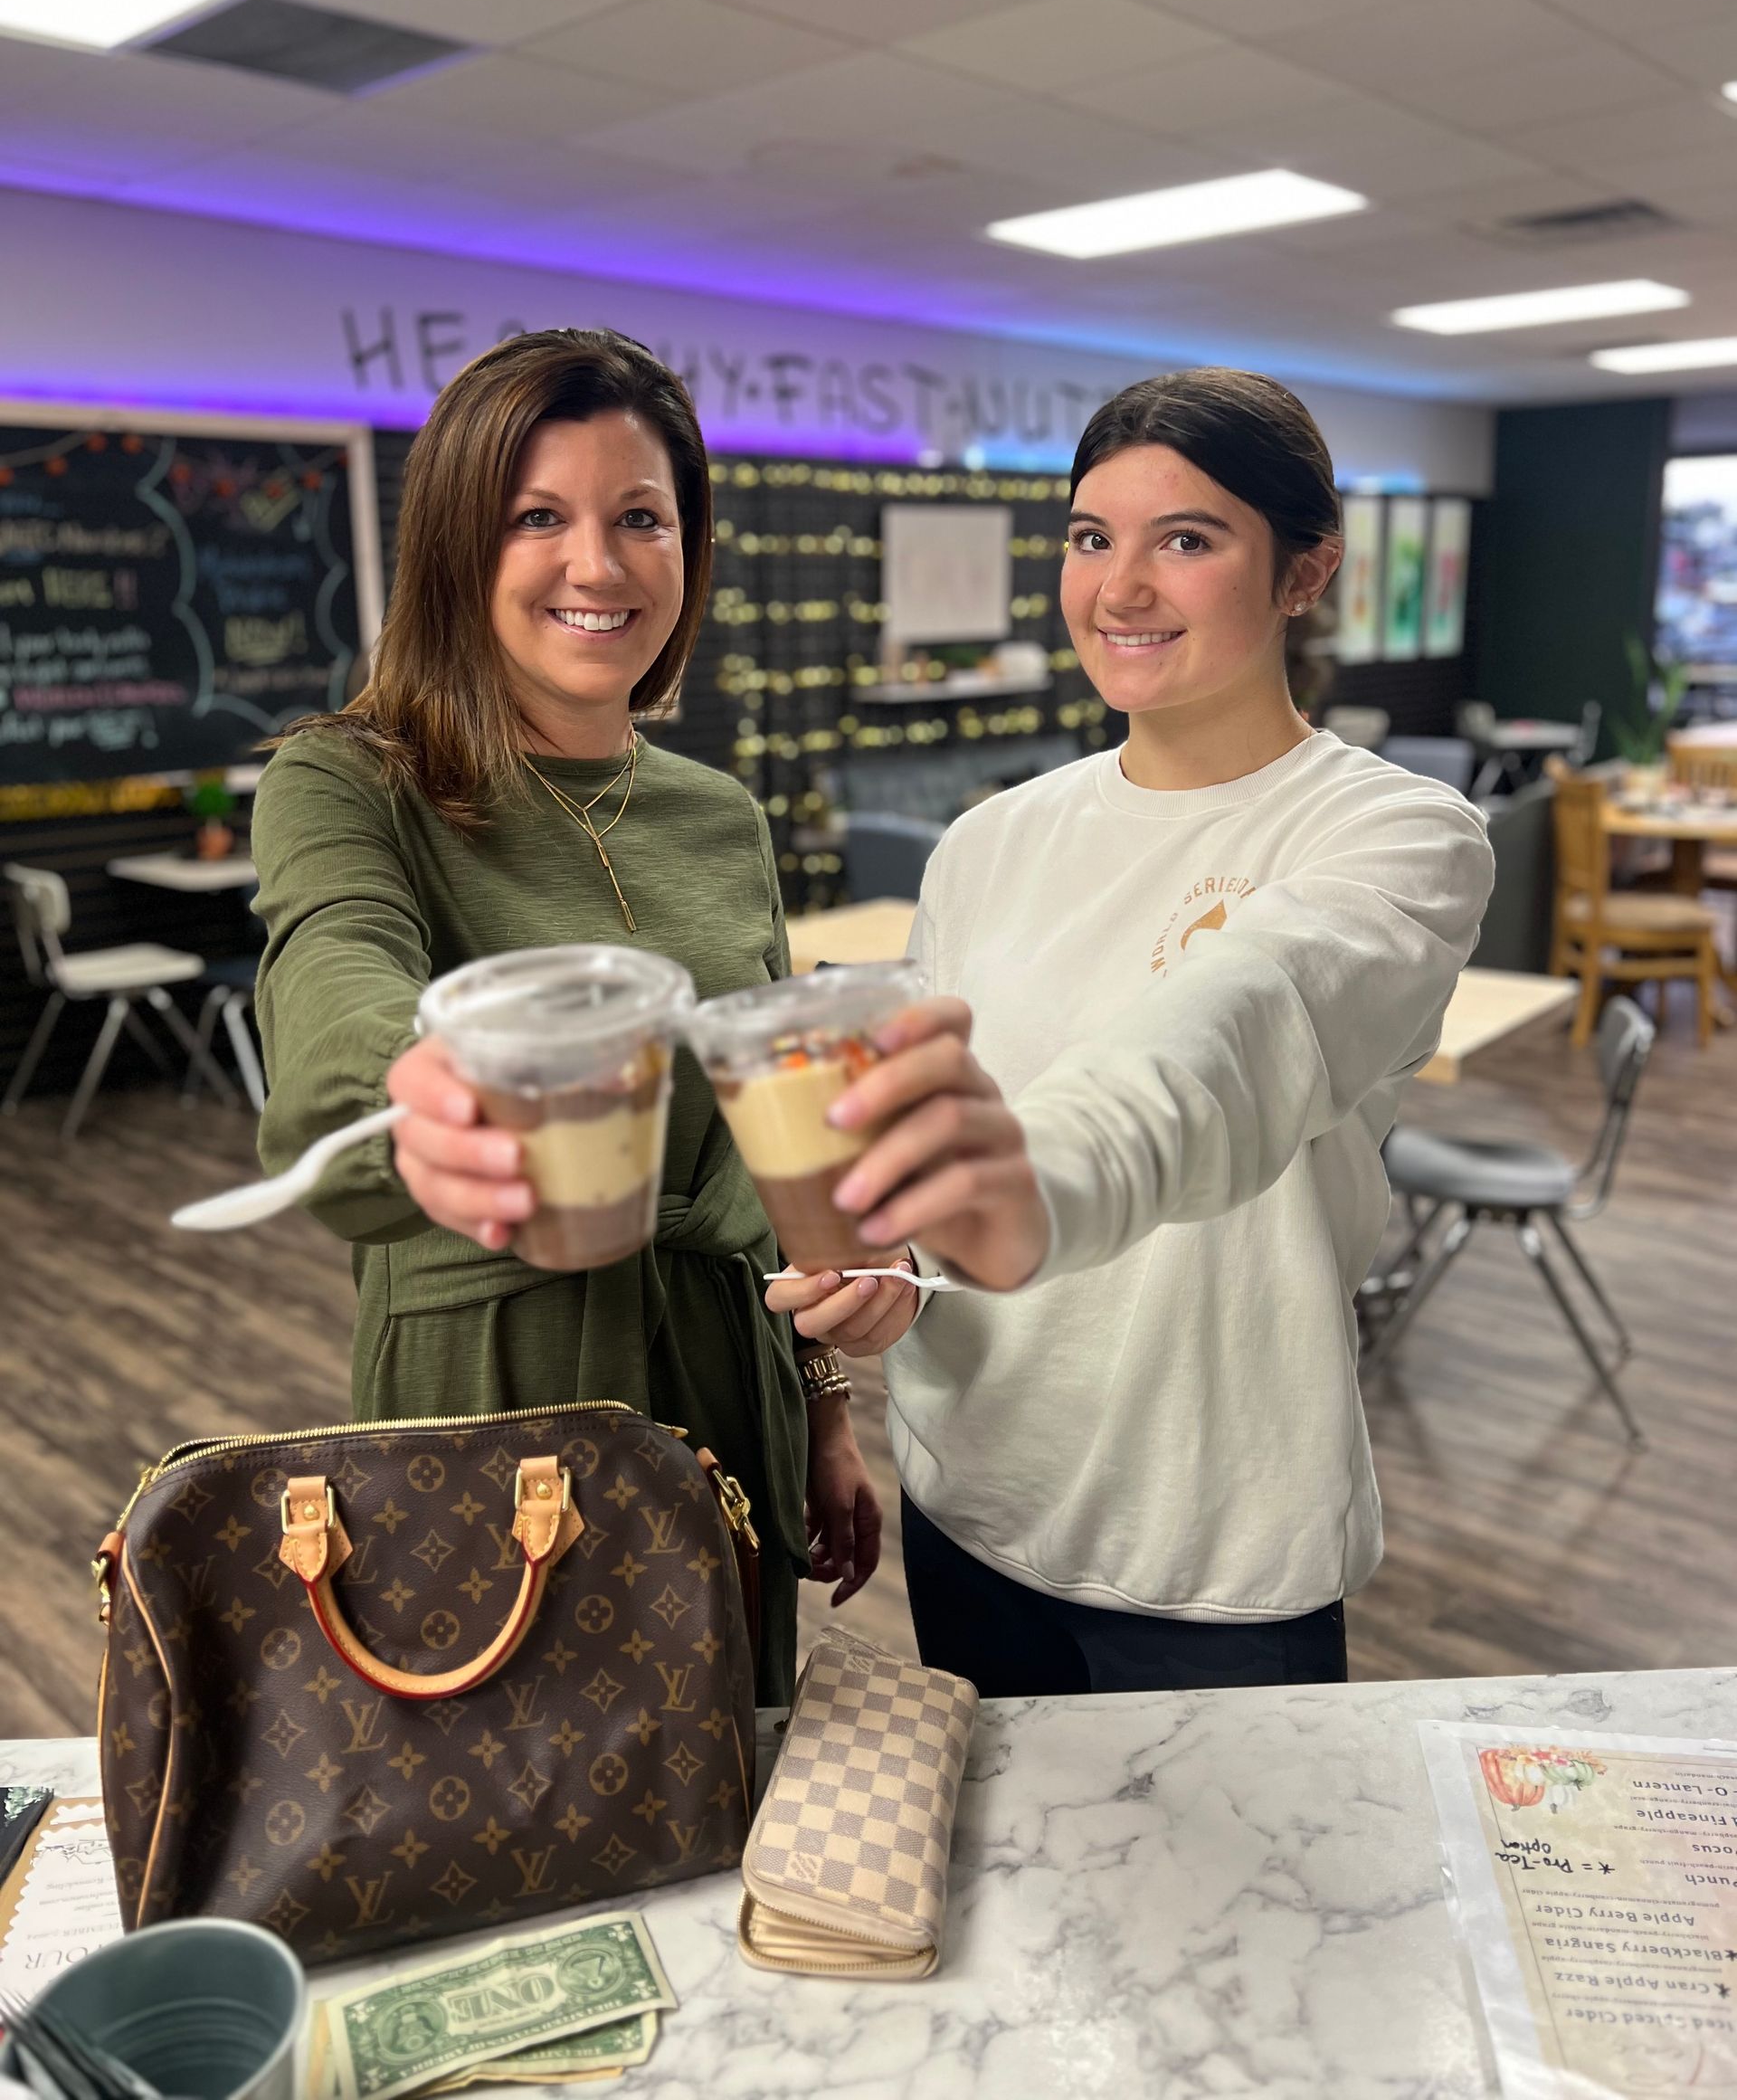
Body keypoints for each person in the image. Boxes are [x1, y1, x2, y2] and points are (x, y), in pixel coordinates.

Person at [766, 366, 1495, 1698]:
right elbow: (938, 1162)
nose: (1121, 588)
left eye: (1189, 539)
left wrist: (1029, 1187)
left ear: (1303, 572)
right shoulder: (989, 843)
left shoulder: (1394, 834)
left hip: (1213, 1542)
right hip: (973, 1495)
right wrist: (895, 1260)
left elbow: (1230, 1036)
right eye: (1094, 538)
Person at [250, 327, 880, 1703]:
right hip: (499, 1367)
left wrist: (825, 1402)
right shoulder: (352, 783)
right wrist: (417, 1090)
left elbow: (778, 1150)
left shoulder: (723, 819)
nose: (597, 565)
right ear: (459, 545)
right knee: (510, 1785)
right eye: (539, 517)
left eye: (640, 517)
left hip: (729, 1366)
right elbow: (337, 974)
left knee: (725, 1755)